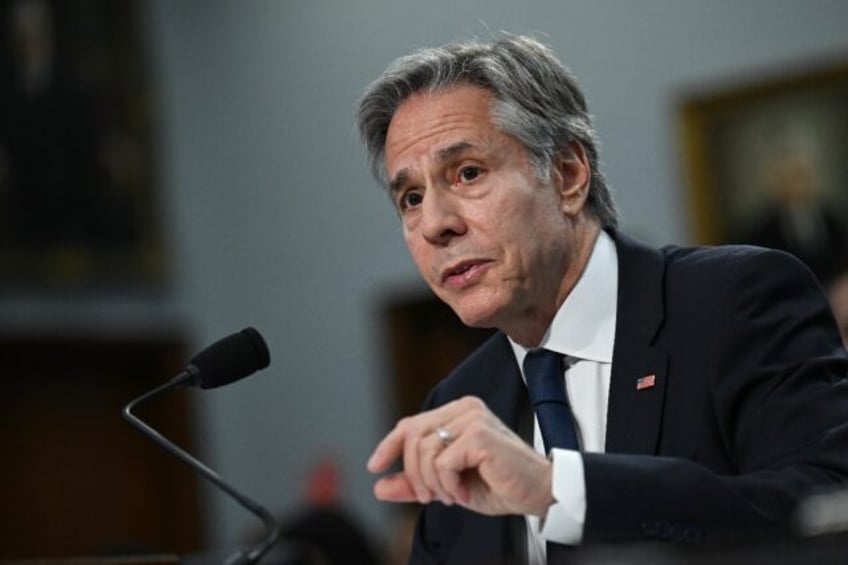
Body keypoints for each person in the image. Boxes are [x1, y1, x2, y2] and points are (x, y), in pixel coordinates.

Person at [357, 34, 848, 565]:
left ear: (568, 175)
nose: (434, 225)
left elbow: (823, 507)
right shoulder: (458, 404)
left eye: (468, 173)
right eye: (410, 198)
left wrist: (560, 490)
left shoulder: (736, 300)